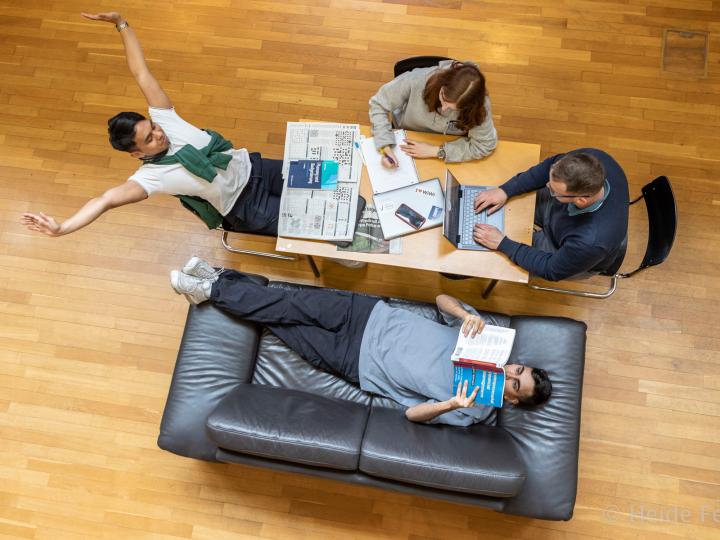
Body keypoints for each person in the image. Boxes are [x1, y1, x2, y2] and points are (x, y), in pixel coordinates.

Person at [169, 256, 553, 427]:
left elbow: (410, 415)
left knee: (280, 322)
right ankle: (214, 284)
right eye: (517, 369)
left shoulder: (469, 412)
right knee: (287, 302)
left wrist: (450, 403)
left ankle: (217, 282)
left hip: (355, 362)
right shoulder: (486, 340)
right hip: (368, 315)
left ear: (513, 400)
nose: (510, 372)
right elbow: (440, 300)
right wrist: (466, 316)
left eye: (516, 382)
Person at [21, 11, 284, 238]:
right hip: (246, 206)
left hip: (256, 168)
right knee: (322, 220)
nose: (158, 134)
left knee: (325, 178)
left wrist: (121, 23)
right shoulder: (149, 178)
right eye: (149, 139)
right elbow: (104, 201)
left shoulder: (165, 120)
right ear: (137, 154)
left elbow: (140, 72)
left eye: (153, 127)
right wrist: (62, 228)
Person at [473, 148, 629, 282]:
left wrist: (503, 243)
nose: (547, 186)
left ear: (581, 200)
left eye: (554, 191)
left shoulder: (590, 243)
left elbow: (550, 269)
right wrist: (505, 190)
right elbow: (549, 167)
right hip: (560, 214)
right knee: (508, 206)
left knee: (491, 256)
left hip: (562, 251)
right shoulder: (591, 159)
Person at [369, 60, 497, 168]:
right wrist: (384, 145)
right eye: (444, 99)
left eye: (455, 108)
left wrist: (437, 151)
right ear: (443, 84)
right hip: (405, 137)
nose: (444, 108)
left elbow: (485, 144)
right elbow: (378, 104)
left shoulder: (479, 105)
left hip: (444, 147)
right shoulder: (416, 79)